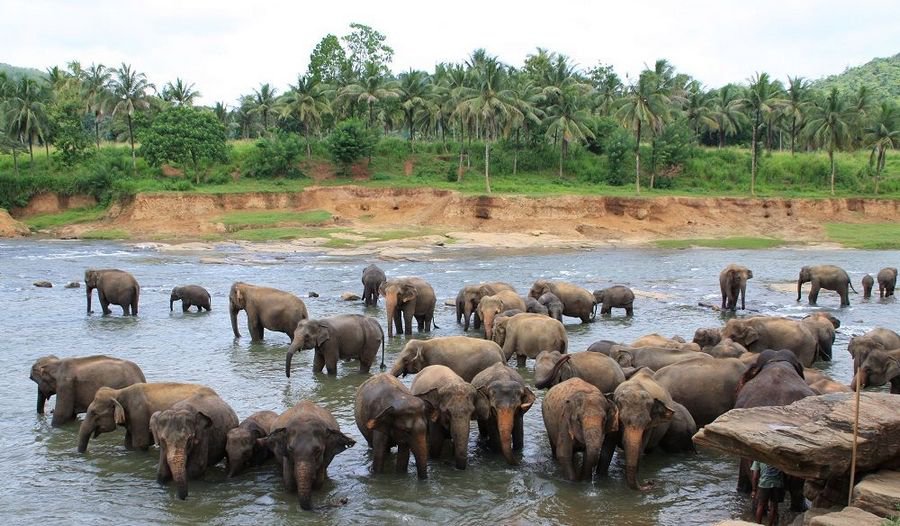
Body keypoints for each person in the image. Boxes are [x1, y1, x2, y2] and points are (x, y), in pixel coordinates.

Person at [750, 460, 785, 525]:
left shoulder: (758, 458)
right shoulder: (778, 457)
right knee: (774, 506)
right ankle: (770, 524)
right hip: (777, 484)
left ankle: (758, 524)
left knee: (760, 505)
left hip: (763, 484)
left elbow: (755, 476)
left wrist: (754, 490)